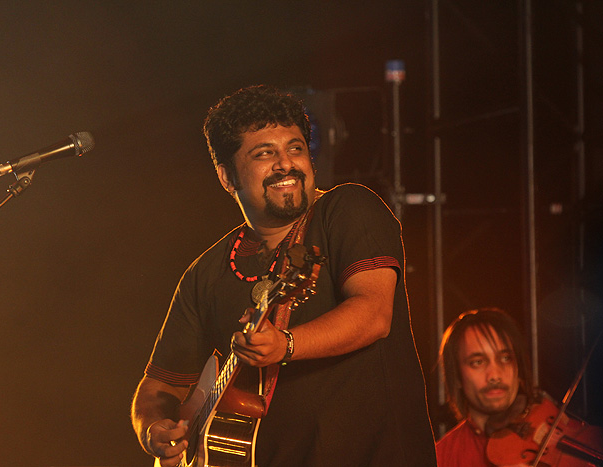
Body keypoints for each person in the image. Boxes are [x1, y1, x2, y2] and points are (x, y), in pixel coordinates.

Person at [131, 85, 437, 467]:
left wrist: (286, 344)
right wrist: (153, 428)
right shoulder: (204, 274)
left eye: (295, 148)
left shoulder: (348, 208)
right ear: (227, 177)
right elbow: (159, 385)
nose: (285, 164)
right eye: (264, 153)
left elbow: (374, 313)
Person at [436, 307, 603, 467]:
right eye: (478, 362)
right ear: (457, 376)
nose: (495, 375)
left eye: (505, 358)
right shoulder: (440, 458)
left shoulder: (573, 434)